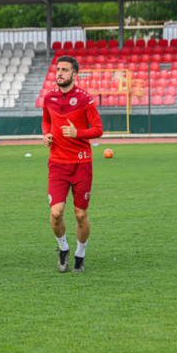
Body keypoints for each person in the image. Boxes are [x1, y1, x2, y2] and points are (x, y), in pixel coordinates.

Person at [42, 55, 103, 273]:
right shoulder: (49, 98)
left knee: (80, 216)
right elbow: (46, 120)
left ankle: (80, 253)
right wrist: (46, 134)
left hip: (81, 164)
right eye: (58, 69)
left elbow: (98, 129)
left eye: (65, 70)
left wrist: (79, 133)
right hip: (57, 164)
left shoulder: (85, 99)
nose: (59, 73)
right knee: (56, 213)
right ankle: (63, 249)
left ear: (74, 75)